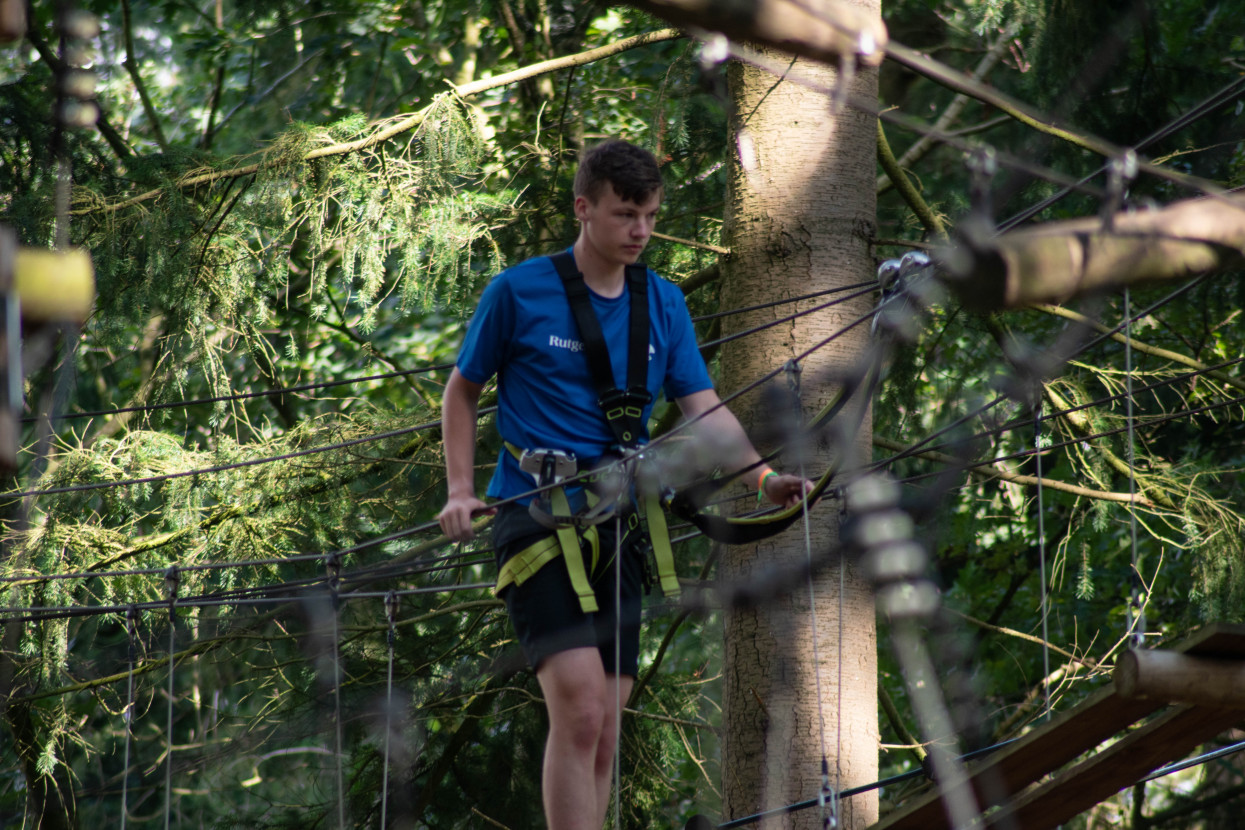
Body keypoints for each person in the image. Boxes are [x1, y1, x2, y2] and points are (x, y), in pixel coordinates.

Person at [437, 138, 810, 830]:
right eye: (623, 214)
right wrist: (460, 489)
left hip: (618, 523)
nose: (639, 230)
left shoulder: (663, 304)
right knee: (578, 708)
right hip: (535, 515)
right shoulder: (518, 292)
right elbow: (461, 391)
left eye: (648, 214)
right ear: (583, 209)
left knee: (606, 723)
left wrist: (759, 478)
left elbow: (703, 407)